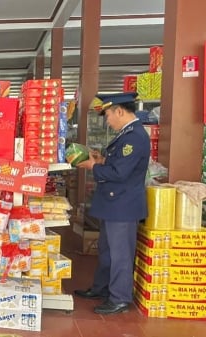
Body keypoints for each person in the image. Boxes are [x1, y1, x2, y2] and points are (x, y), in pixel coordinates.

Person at [73, 92, 150, 315]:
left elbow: (120, 172)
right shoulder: (125, 134)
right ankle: (102, 288)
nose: (107, 120)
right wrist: (100, 159)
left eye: (108, 115)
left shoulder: (134, 137)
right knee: (107, 251)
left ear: (119, 111)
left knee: (120, 254)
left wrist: (92, 167)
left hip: (123, 205)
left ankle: (119, 298)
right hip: (113, 204)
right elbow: (117, 163)